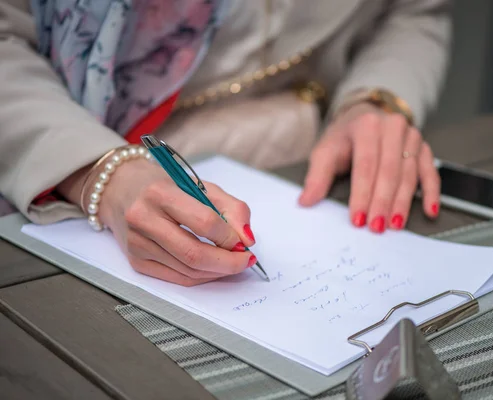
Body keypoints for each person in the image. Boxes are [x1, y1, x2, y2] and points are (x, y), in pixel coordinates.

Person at [0, 0, 451, 286]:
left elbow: (412, 12)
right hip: (68, 145)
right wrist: (103, 172)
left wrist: (375, 98)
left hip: (307, 154)